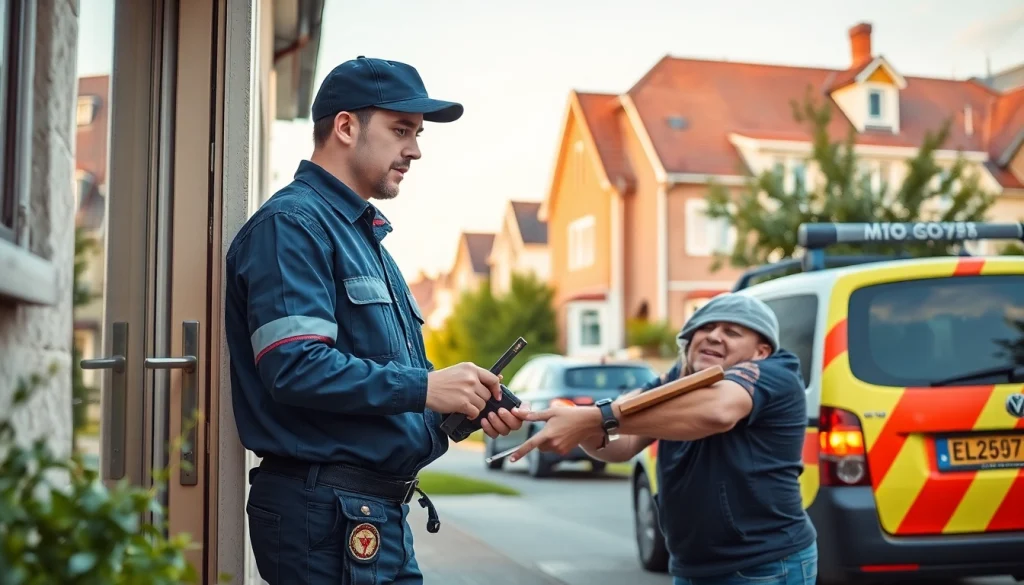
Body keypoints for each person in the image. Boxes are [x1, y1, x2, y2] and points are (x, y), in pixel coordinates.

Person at [224, 56, 526, 585]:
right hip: (326, 518)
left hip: (372, 516)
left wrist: (462, 405)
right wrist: (427, 387)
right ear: (345, 127)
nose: (415, 150)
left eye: (417, 134)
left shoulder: (365, 240)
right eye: (401, 130)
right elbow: (295, 367)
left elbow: (386, 387)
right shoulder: (291, 226)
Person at [509, 293, 818, 585]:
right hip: (691, 565)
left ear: (760, 351)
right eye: (706, 327)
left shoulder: (775, 372)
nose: (714, 336)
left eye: (732, 332)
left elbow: (717, 411)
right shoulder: (677, 378)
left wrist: (594, 418)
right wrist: (579, 427)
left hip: (764, 564)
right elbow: (622, 445)